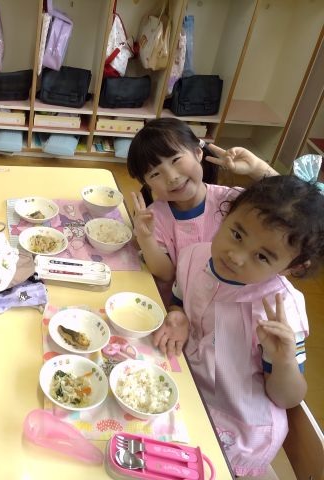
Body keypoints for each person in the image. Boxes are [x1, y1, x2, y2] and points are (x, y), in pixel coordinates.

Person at [153, 175, 324, 478]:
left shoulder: (280, 311)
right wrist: (178, 315)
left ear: (292, 267)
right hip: (188, 386)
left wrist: (284, 361)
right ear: (226, 213)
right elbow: (180, 297)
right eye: (236, 234)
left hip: (237, 429)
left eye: (262, 256)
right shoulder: (195, 256)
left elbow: (287, 398)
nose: (236, 256)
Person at [127, 118, 278, 305]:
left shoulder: (233, 201)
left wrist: (258, 169)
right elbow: (167, 274)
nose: (172, 177)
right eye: (155, 174)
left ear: (198, 153)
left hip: (233, 305)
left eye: (175, 160)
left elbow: (295, 206)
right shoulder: (155, 216)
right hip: (181, 308)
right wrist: (146, 239)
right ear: (147, 184)